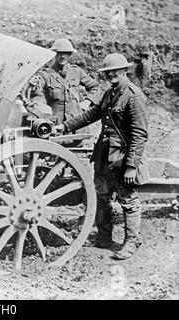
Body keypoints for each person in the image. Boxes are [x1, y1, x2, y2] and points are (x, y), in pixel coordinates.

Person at [55, 53, 149, 260]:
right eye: (107, 72)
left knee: (128, 200)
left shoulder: (134, 96)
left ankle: (131, 242)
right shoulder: (110, 93)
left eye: (114, 71)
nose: (110, 75)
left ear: (125, 71)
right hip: (105, 155)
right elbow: (92, 114)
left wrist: (132, 165)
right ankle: (104, 237)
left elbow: (139, 134)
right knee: (102, 197)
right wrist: (65, 126)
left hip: (124, 157)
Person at [26, 39, 100, 133]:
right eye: (59, 53)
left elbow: (95, 87)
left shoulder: (76, 71)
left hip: (76, 127)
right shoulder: (45, 74)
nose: (62, 56)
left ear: (69, 54)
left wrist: (87, 101)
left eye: (65, 53)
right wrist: (33, 85)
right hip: (55, 127)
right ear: (54, 54)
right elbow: (36, 91)